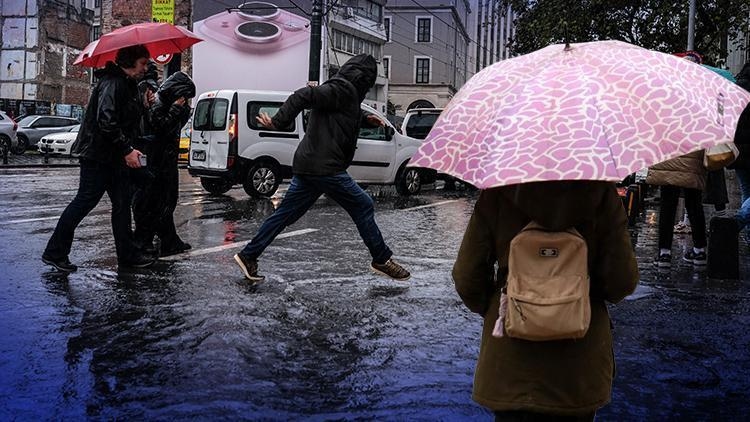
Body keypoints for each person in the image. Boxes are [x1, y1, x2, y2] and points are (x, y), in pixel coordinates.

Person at [452, 181, 638, 419]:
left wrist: (500, 307)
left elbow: (467, 277)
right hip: (579, 370)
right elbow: (621, 281)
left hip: (510, 365)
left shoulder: (498, 192)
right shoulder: (601, 194)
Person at [233, 54, 410, 282]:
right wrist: (278, 121)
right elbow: (303, 95)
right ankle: (381, 259)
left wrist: (367, 119)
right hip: (325, 168)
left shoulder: (345, 94)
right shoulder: (342, 89)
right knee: (363, 204)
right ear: (363, 79)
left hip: (309, 166)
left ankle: (249, 255)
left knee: (285, 215)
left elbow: (341, 113)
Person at [42, 44, 155, 272]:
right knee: (84, 202)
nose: (146, 68)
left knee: (122, 205)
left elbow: (126, 121)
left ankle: (127, 255)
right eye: (143, 63)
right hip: (98, 156)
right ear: (130, 62)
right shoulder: (112, 83)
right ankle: (55, 252)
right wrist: (127, 150)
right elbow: (107, 121)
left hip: (114, 158)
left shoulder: (127, 84)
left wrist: (143, 106)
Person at [132, 68, 195, 257]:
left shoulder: (164, 102)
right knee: (157, 201)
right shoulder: (159, 102)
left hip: (164, 159)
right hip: (158, 159)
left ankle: (167, 239)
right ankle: (147, 240)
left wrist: (180, 110)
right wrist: (177, 109)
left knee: (165, 201)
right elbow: (161, 127)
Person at [647, 151, 708, 267]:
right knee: (694, 204)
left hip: (669, 156)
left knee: (667, 205)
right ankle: (699, 250)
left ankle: (664, 253)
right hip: (693, 157)